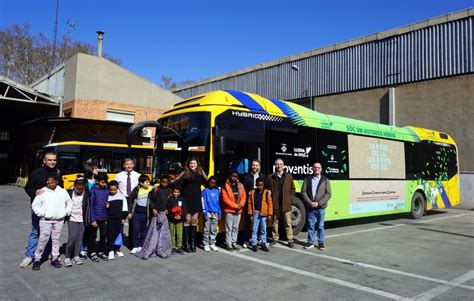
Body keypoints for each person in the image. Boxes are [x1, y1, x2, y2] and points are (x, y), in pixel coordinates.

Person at [20, 152, 63, 268]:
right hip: (38, 210)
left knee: (51, 234)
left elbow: (61, 189)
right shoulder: (36, 173)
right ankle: (29, 256)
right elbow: (28, 188)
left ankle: (50, 253)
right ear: (44, 161)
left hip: (53, 211)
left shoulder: (58, 172)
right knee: (35, 232)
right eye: (49, 160)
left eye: (54, 160)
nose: (52, 162)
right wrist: (35, 192)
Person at [31, 174, 72, 270]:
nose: (50, 184)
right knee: (42, 240)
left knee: (56, 239)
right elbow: (35, 205)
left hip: (59, 220)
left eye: (52, 182)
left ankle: (54, 258)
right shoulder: (43, 191)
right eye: (48, 182)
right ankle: (37, 259)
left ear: (57, 182)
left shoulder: (62, 192)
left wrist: (66, 212)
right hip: (46, 220)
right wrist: (42, 213)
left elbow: (69, 202)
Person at [173, 157, 208, 253]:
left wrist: (217, 187)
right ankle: (186, 243)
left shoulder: (200, 172)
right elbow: (175, 181)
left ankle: (193, 243)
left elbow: (208, 181)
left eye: (194, 163)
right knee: (187, 220)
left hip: (196, 199)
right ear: (188, 164)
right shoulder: (185, 172)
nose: (193, 165)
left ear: (197, 164)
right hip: (186, 199)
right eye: (191, 163)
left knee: (194, 220)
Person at [301, 162, 332, 250]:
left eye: (318, 167)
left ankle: (320, 242)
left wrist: (318, 203)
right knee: (311, 225)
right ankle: (310, 242)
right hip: (310, 207)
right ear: (312, 169)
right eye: (315, 167)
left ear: (321, 169)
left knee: (320, 226)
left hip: (321, 207)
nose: (316, 169)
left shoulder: (325, 180)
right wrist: (310, 202)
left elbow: (328, 194)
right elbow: (303, 192)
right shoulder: (307, 179)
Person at [267, 158, 296, 248]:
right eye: (277, 164)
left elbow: (293, 189)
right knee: (275, 222)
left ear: (283, 166)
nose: (279, 166)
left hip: (286, 203)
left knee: (288, 222)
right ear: (275, 166)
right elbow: (267, 190)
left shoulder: (289, 176)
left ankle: (290, 240)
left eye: (280, 164)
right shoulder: (270, 177)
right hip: (275, 203)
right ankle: (275, 238)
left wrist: (290, 200)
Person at [114, 158, 141, 249]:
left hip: (133, 200)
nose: (129, 166)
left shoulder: (138, 175)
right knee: (120, 221)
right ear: (123, 166)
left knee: (133, 222)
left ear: (133, 165)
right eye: (127, 164)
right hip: (122, 199)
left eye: (130, 164)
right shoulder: (118, 175)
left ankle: (132, 243)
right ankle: (118, 243)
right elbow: (115, 188)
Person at [240, 159, 266, 247]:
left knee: (260, 224)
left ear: (259, 166)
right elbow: (243, 189)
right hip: (249, 203)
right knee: (248, 222)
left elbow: (266, 188)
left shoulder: (263, 176)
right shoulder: (246, 176)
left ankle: (257, 239)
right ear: (251, 166)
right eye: (253, 165)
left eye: (256, 165)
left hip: (260, 203)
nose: (255, 167)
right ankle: (246, 240)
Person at [221, 171, 246, 251]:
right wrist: (236, 206)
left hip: (238, 210)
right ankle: (228, 244)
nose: (234, 178)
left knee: (235, 228)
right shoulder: (225, 186)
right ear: (230, 176)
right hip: (229, 210)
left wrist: (240, 205)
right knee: (228, 228)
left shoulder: (241, 185)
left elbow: (243, 196)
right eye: (232, 176)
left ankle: (234, 243)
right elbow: (225, 199)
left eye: (235, 176)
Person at [64, 177, 86, 267]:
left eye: (82, 189)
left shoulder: (87, 193)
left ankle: (76, 256)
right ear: (74, 186)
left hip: (82, 219)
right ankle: (67, 256)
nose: (79, 190)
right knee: (72, 236)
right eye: (77, 188)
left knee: (80, 237)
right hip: (72, 217)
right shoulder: (68, 192)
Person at [88, 173, 109, 262]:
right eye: (102, 182)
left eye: (105, 182)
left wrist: (108, 204)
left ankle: (101, 251)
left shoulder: (106, 190)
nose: (104, 184)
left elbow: (107, 201)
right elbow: (91, 206)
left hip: (103, 217)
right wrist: (92, 219)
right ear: (97, 181)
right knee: (93, 236)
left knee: (104, 235)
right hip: (95, 217)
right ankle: (92, 252)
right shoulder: (93, 190)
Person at [128, 174, 152, 254]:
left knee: (144, 231)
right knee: (135, 230)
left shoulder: (151, 189)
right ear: (141, 183)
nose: (148, 183)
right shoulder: (136, 189)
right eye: (146, 182)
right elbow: (131, 201)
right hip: (136, 214)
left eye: (149, 182)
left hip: (146, 214)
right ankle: (135, 246)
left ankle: (141, 245)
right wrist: (130, 212)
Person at [247, 178, 272, 252]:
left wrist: (270, 214)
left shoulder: (266, 193)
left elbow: (270, 204)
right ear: (256, 185)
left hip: (264, 214)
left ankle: (263, 243)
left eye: (261, 185)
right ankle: (254, 244)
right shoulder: (252, 192)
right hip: (256, 213)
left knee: (263, 230)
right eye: (258, 185)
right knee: (254, 229)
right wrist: (250, 214)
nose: (260, 186)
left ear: (263, 185)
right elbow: (249, 204)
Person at [106, 180, 128, 260]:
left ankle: (117, 249)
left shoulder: (121, 196)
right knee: (110, 234)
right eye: (111, 190)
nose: (112, 191)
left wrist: (123, 217)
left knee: (118, 234)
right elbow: (105, 208)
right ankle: (111, 250)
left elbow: (124, 207)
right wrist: (106, 206)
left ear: (117, 189)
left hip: (119, 219)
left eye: (114, 190)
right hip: (110, 219)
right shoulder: (107, 196)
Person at [201, 176, 221, 252]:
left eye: (213, 183)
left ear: (215, 184)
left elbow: (218, 202)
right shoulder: (205, 191)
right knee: (206, 229)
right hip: (208, 212)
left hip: (215, 213)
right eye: (210, 182)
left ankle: (212, 243)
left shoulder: (217, 191)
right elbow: (203, 202)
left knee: (214, 229)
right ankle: (206, 244)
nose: (212, 184)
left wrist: (219, 212)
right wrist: (205, 212)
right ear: (208, 183)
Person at [167, 187, 186, 255]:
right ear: (172, 192)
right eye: (175, 192)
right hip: (172, 220)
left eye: (177, 192)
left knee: (179, 233)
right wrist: (173, 216)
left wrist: (181, 217)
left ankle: (179, 247)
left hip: (179, 220)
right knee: (172, 233)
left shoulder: (182, 199)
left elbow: (184, 209)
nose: (176, 193)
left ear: (180, 193)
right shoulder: (170, 200)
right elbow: (168, 210)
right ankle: (173, 247)